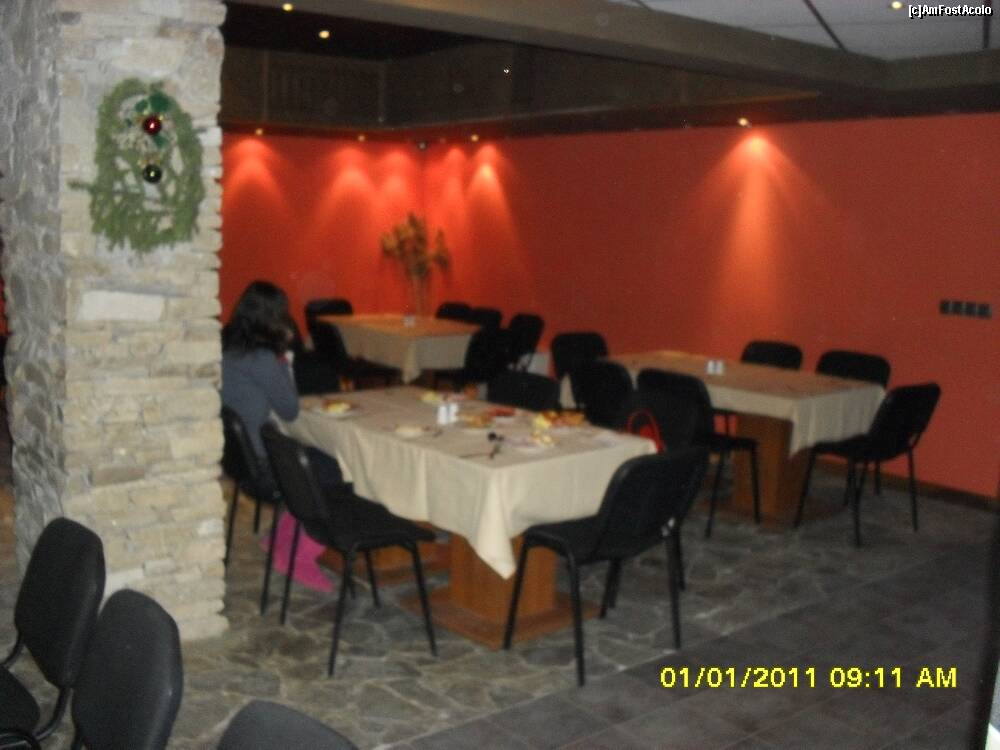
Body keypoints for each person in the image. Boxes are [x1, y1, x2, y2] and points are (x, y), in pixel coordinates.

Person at [221, 280, 337, 592]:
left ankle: (280, 538)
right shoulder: (262, 359)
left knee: (314, 459)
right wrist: (283, 358)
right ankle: (300, 554)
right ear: (272, 319)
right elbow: (289, 409)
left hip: (240, 463)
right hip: (262, 467)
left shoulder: (228, 351)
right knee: (334, 470)